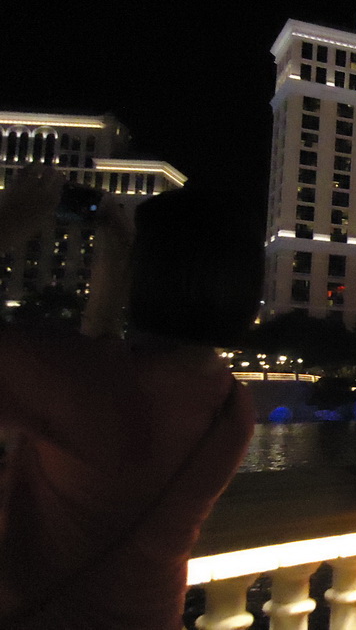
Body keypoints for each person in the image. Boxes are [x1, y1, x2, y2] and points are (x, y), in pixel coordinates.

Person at [0, 165, 262, 628]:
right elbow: (106, 379)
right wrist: (118, 258)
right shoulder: (233, 406)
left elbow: (97, 382)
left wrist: (9, 219)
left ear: (146, 275)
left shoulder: (77, 378)